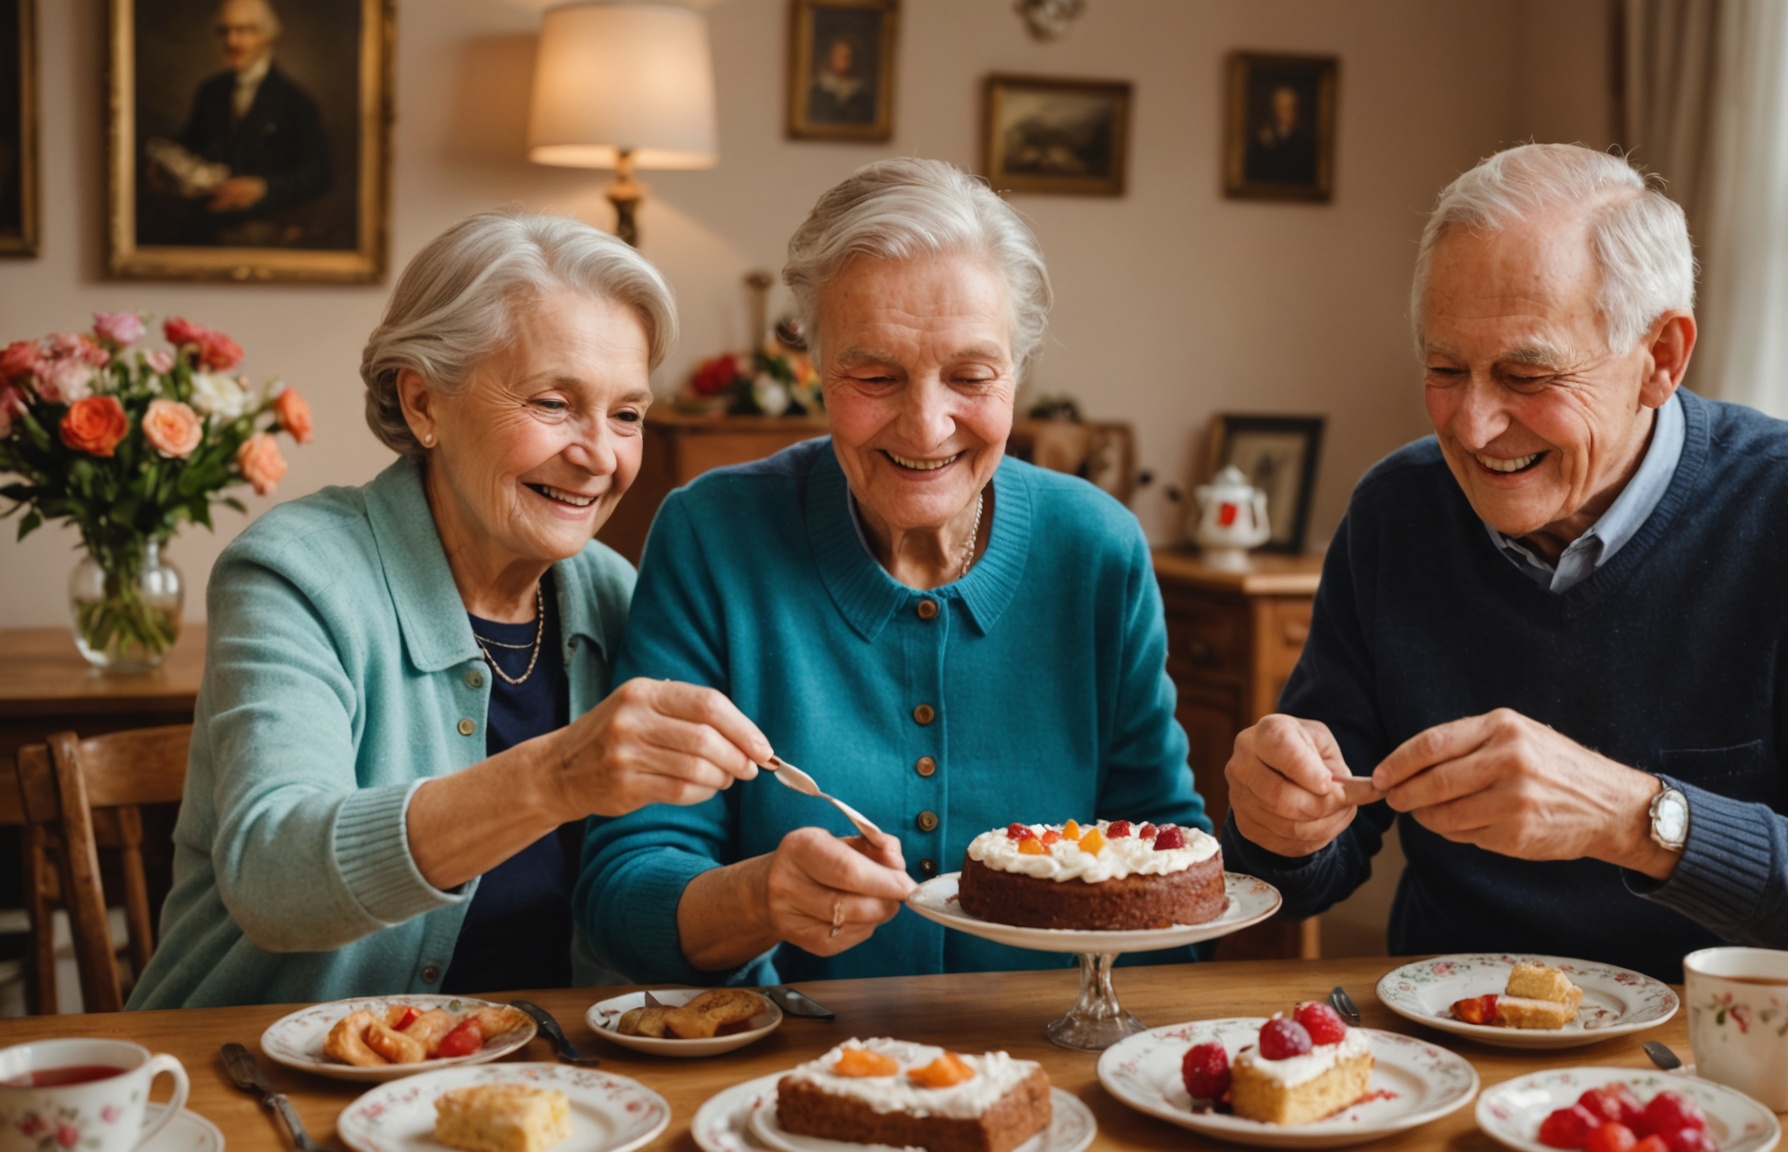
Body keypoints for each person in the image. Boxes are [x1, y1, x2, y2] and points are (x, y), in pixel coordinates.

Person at [1221, 143, 1788, 990]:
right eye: (1446, 370)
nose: (1475, 426)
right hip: (1445, 1046)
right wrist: (1281, 826)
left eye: (1527, 374)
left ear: (1661, 357)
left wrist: (1634, 819)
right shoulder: (1395, 512)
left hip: (1720, 1066)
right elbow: (1303, 876)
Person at [577, 157, 1209, 986]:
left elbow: (1178, 875)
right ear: (813, 364)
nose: (926, 424)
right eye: (874, 377)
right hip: (787, 1070)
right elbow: (626, 886)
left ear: (1019, 370)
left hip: (1053, 1054)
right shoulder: (713, 536)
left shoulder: (1096, 549)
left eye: (971, 377)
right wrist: (757, 899)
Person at [129, 211, 772, 1008]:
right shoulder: (297, 571)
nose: (601, 455)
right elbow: (273, 875)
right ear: (425, 403)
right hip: (257, 1076)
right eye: (551, 402)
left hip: (539, 1096)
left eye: (627, 414)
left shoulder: (613, 594)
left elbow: (647, 886)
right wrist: (557, 776)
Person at [160, 0, 334, 246]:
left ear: (267, 35)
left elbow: (320, 174)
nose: (232, 42)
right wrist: (165, 169)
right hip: (205, 230)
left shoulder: (295, 101)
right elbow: (188, 146)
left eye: (244, 30)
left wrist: (263, 189)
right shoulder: (210, 91)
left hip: (267, 232)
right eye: (225, 31)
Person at [1245, 82, 1316, 187]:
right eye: (1283, 108)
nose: (1288, 113)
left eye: (1291, 108)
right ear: (1274, 109)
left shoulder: (1305, 143)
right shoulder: (1261, 140)